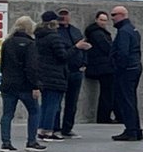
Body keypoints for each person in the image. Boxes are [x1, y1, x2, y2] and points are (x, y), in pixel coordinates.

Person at [0, 15, 44, 152]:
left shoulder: (7, 42)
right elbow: (32, 67)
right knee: (34, 111)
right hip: (25, 86)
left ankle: (6, 143)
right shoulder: (30, 44)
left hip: (8, 84)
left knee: (7, 114)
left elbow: (2, 65)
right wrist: (36, 86)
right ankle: (31, 142)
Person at [34, 11, 72, 140]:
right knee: (53, 104)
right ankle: (48, 130)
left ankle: (41, 129)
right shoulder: (54, 37)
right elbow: (62, 56)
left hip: (42, 74)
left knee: (45, 104)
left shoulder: (38, 36)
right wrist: (76, 48)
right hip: (55, 75)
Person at [110, 7, 143, 140]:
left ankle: (131, 131)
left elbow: (123, 52)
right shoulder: (132, 29)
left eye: (114, 15)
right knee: (131, 100)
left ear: (122, 15)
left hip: (127, 70)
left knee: (126, 101)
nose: (112, 17)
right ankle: (136, 130)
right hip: (134, 67)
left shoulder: (124, 31)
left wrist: (118, 67)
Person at [57, 9, 88, 138]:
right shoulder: (55, 32)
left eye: (66, 15)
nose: (64, 17)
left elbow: (84, 47)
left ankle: (67, 128)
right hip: (61, 71)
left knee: (72, 102)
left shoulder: (76, 31)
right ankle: (55, 128)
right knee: (56, 102)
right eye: (61, 15)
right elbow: (61, 53)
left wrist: (84, 63)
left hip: (76, 71)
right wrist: (76, 47)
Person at [84, 11, 114, 126]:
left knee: (107, 92)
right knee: (107, 93)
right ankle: (104, 117)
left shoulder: (96, 32)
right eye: (101, 20)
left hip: (101, 65)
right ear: (96, 20)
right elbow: (106, 47)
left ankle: (104, 116)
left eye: (105, 20)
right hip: (102, 66)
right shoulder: (97, 33)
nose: (103, 22)